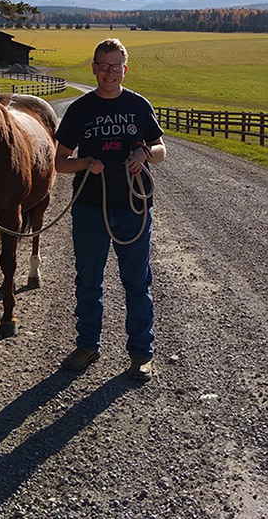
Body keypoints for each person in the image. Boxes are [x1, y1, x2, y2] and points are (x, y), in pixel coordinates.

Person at [55, 38, 166, 381]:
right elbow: (60, 163)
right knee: (89, 280)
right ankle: (88, 345)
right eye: (103, 66)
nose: (109, 73)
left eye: (115, 66)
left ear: (125, 69)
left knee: (136, 282)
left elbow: (161, 149)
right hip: (90, 208)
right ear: (94, 68)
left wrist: (143, 154)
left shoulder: (138, 105)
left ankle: (141, 354)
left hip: (133, 209)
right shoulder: (79, 110)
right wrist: (85, 162)